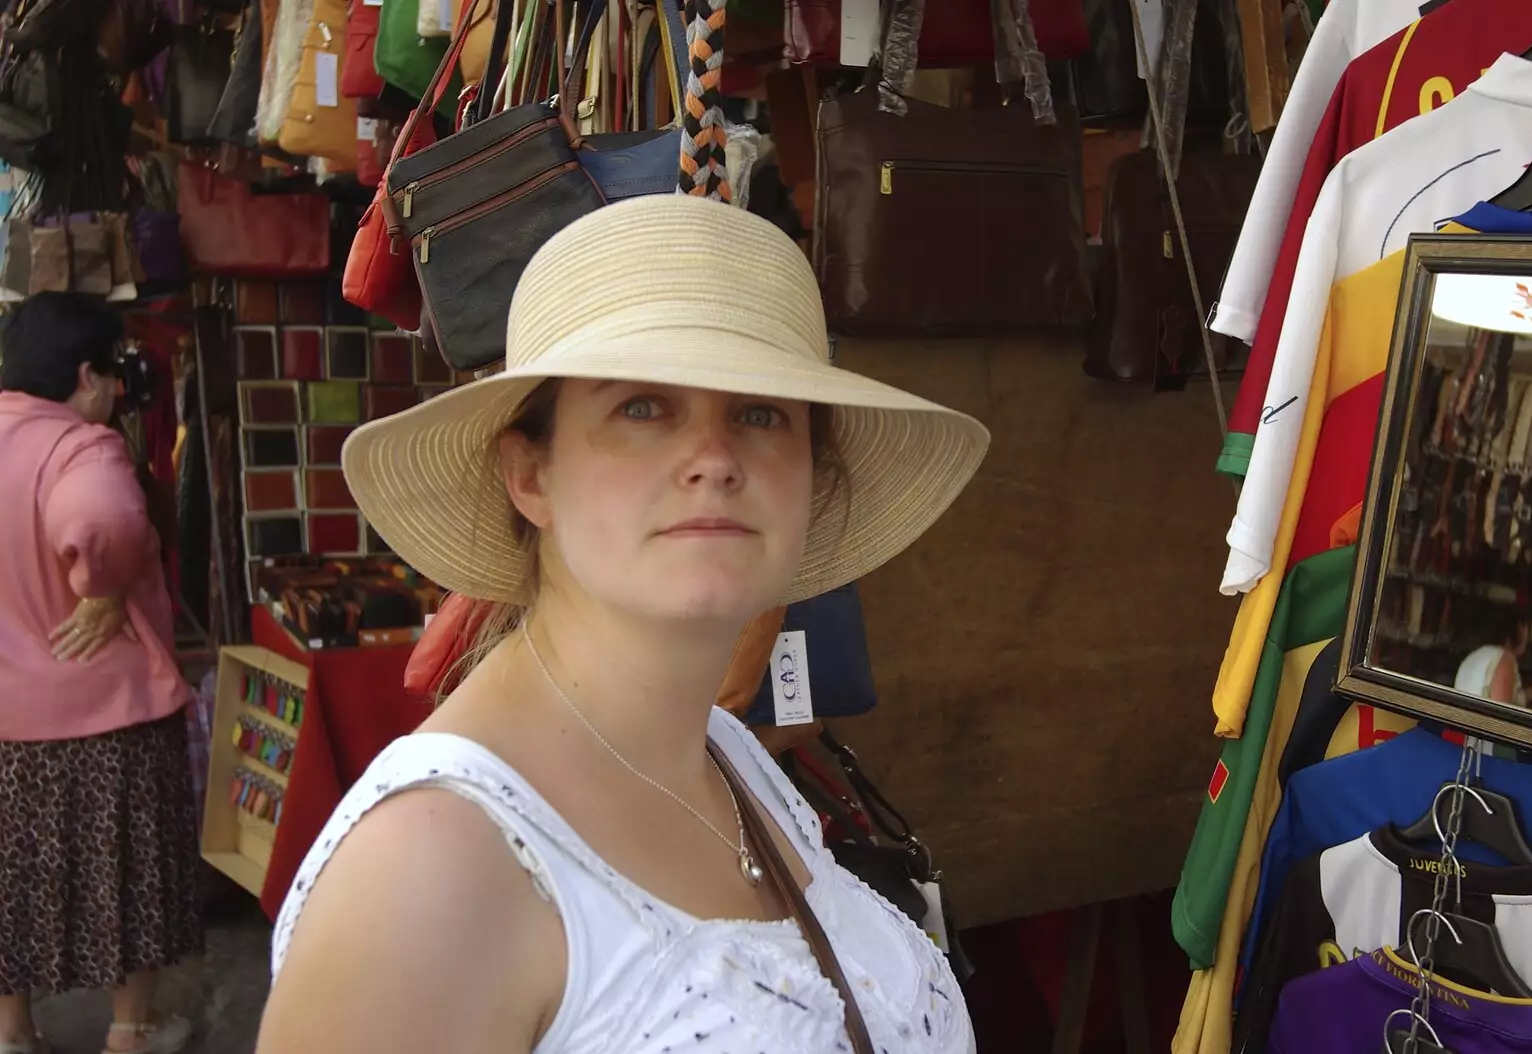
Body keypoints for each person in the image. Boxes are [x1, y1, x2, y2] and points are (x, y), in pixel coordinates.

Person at [258, 196, 989, 1054]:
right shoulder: (429, 871)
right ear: (530, 475)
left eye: (761, 413)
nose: (715, 459)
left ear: (812, 480)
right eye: (643, 407)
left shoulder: (732, 758)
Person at [0, 293, 202, 1054]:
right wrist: (104, 581)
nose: (121, 388)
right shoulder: (81, 447)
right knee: (132, 880)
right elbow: (103, 523)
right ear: (86, 375)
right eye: (114, 370)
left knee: (10, 878)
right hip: (105, 706)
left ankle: (13, 1032)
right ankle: (130, 1032)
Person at [1453, 613, 1532, 710]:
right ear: (1519, 628)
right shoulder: (1504, 658)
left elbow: (1508, 697)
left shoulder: (1476, 656)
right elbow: (1502, 716)